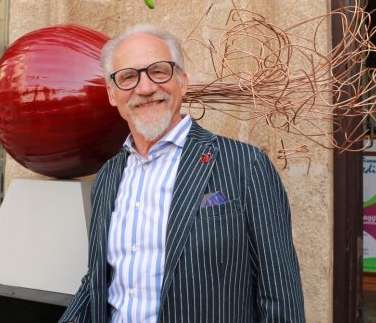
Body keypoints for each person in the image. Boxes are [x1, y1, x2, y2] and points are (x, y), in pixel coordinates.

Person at [60, 25, 305, 323]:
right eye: (128, 77)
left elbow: (279, 294)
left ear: (183, 82)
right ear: (112, 95)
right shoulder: (108, 176)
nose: (145, 88)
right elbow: (97, 281)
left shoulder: (244, 164)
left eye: (159, 71)